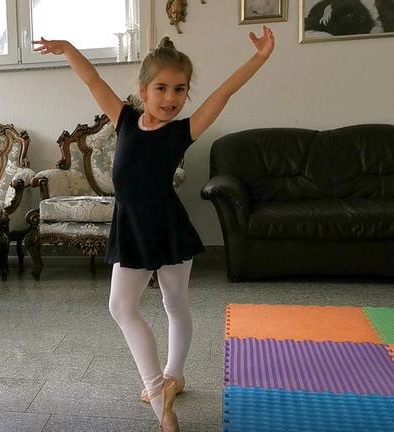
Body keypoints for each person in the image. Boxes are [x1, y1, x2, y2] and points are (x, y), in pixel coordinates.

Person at [33, 26, 275, 432]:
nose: (170, 98)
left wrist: (259, 58)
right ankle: (159, 392)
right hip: (132, 227)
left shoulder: (182, 132)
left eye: (180, 90)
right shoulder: (124, 120)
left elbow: (225, 92)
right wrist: (70, 48)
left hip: (168, 227)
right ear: (143, 90)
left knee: (175, 305)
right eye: (161, 88)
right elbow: (93, 79)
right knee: (121, 307)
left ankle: (173, 376)